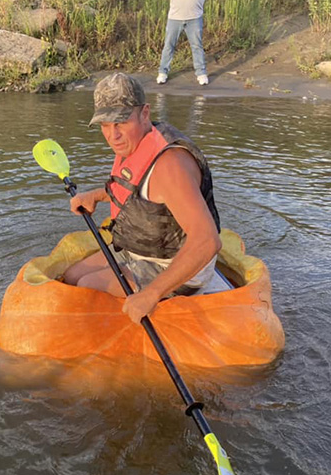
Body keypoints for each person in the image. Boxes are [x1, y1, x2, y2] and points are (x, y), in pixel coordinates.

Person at [63, 73, 230, 324]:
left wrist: (151, 293)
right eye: (105, 125)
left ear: (144, 113)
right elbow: (132, 187)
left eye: (120, 122)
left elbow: (208, 241)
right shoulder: (136, 142)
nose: (113, 135)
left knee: (87, 285)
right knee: (72, 276)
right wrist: (95, 196)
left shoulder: (170, 167)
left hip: (175, 266)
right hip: (142, 248)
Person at [156, 0, 216, 86]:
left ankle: (201, 73)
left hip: (195, 16)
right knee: (169, 45)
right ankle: (163, 72)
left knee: (197, 45)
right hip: (175, 16)